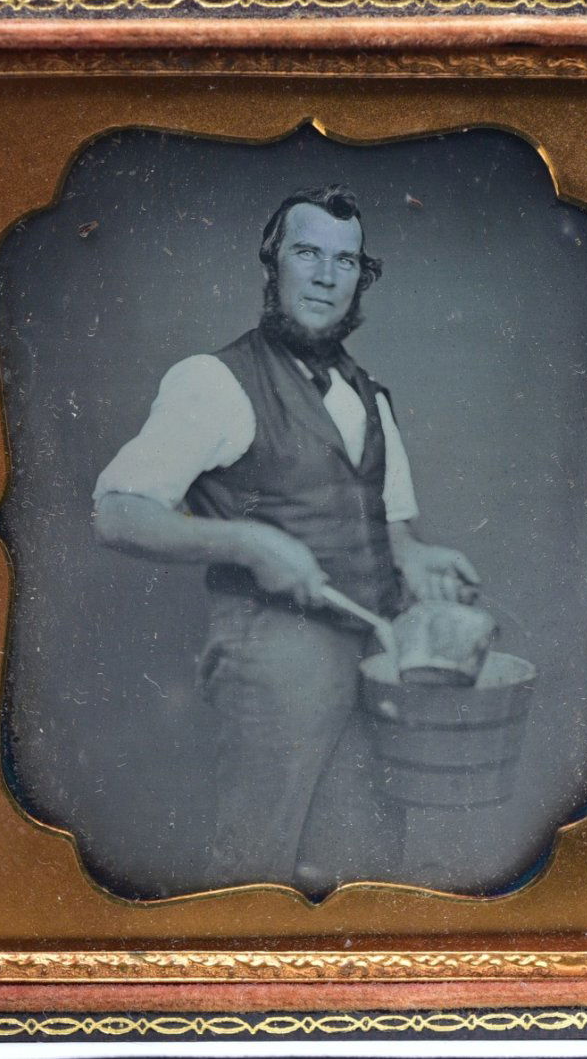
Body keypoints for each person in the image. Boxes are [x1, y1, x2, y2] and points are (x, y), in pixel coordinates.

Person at [93, 184, 479, 892]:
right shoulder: (216, 381)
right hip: (273, 654)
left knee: (363, 863)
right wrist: (248, 543)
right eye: (307, 253)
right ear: (273, 264)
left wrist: (419, 558)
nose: (326, 276)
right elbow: (117, 512)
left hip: (378, 655)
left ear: (361, 277)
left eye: (345, 260)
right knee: (256, 867)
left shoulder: (369, 395)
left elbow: (393, 530)